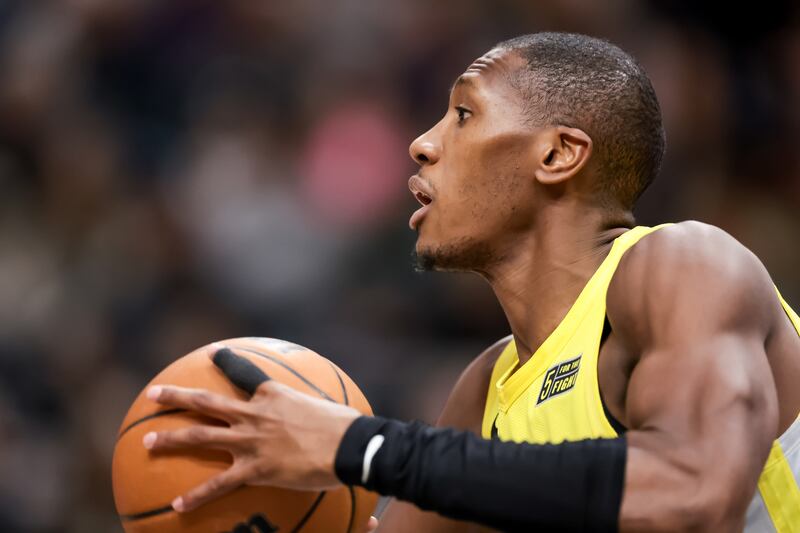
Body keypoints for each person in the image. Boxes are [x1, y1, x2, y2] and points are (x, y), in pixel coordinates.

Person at [141, 32, 800, 532]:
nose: (421, 144)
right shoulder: (486, 394)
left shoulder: (684, 266)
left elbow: (697, 488)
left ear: (558, 153)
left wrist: (357, 445)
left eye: (462, 113)